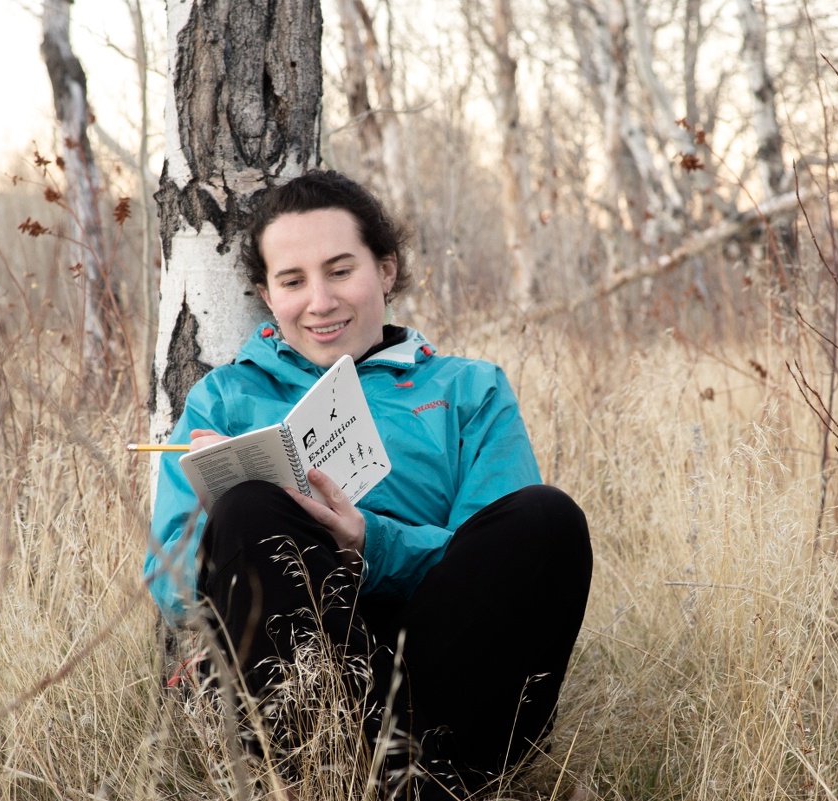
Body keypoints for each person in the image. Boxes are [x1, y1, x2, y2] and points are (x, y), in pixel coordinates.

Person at [145, 170, 593, 800]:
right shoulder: (224, 399)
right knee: (250, 503)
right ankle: (312, 774)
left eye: (340, 270)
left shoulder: (469, 390)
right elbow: (168, 584)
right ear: (266, 294)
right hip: (301, 665)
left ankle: (430, 783)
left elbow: (494, 560)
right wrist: (237, 521)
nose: (320, 301)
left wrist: (369, 543)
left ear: (385, 270)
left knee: (548, 519)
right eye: (292, 281)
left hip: (442, 670)